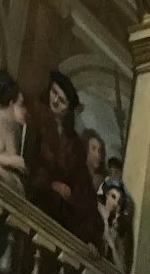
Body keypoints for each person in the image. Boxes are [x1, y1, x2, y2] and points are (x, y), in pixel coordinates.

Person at [28, 69, 98, 241]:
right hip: (38, 195)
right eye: (54, 93)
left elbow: (81, 183)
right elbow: (29, 159)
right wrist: (52, 184)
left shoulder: (74, 143)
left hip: (62, 208)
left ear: (69, 110)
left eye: (62, 101)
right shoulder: (36, 120)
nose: (56, 101)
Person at [0, 68, 28, 197]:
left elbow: (22, 172)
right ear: (11, 103)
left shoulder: (24, 136)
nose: (25, 111)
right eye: (21, 105)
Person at [95, 175, 130, 273]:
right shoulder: (95, 210)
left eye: (119, 203)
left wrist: (112, 245)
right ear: (106, 194)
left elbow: (121, 270)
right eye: (113, 197)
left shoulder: (116, 230)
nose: (115, 204)